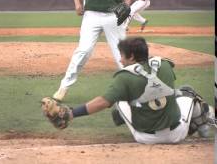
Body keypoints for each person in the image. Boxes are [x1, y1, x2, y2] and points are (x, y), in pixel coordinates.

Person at [42, 37, 215, 144]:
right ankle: (202, 124)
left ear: (131, 56)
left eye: (122, 55)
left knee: (118, 99)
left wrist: (71, 113)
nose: (120, 58)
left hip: (145, 138)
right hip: (178, 134)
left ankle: (123, 116)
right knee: (186, 92)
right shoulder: (165, 64)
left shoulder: (124, 77)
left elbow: (102, 102)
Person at [52, 0, 135, 101]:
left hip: (114, 15)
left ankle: (131, 88)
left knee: (121, 53)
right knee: (83, 50)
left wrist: (126, 5)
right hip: (91, 15)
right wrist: (78, 4)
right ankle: (63, 87)